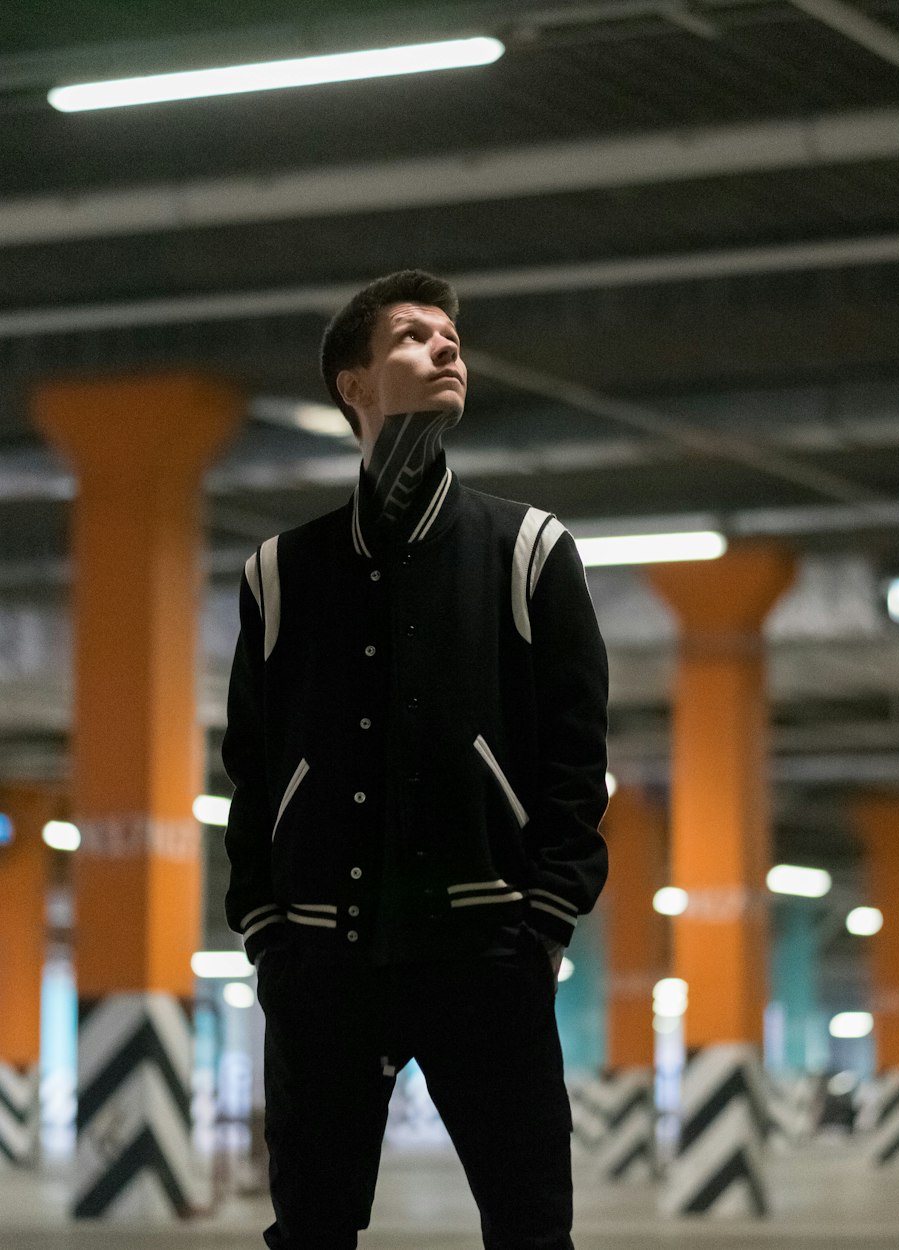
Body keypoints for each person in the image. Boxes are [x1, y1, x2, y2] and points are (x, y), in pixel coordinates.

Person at [221, 268, 609, 1250]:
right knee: (310, 1229)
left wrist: (546, 924)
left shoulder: (526, 550)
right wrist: (268, 931)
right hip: (322, 964)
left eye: (451, 336)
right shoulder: (279, 573)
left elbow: (577, 758)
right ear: (353, 383)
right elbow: (253, 766)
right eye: (411, 336)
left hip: (488, 956)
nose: (446, 348)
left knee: (530, 1229)